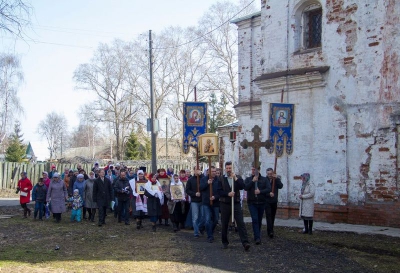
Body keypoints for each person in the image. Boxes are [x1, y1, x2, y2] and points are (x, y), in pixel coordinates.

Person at [218, 161, 250, 251]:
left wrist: (235, 178)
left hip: (235, 203)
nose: (228, 170)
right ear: (225, 169)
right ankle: (224, 242)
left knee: (240, 223)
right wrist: (227, 193)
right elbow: (218, 191)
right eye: (227, 168)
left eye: (230, 168)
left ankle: (245, 242)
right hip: (225, 203)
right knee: (224, 223)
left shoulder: (237, 177)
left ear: (232, 168)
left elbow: (242, 186)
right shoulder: (221, 178)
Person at [244, 166, 271, 244]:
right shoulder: (248, 179)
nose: (253, 171)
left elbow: (268, 189)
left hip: (262, 202)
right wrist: (252, 181)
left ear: (258, 170)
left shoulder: (264, 179)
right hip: (252, 203)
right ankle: (257, 237)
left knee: (259, 220)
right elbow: (245, 187)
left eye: (254, 170)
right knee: (255, 219)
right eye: (252, 169)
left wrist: (260, 192)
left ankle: (257, 233)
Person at [200, 166, 220, 243]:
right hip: (206, 202)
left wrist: (215, 197)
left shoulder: (218, 180)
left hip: (215, 202)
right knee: (207, 219)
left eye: (215, 171)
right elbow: (201, 188)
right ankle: (210, 236)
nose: (214, 173)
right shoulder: (204, 179)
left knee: (215, 219)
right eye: (212, 171)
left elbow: (220, 191)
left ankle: (208, 229)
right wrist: (207, 183)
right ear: (208, 172)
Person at [265, 168, 283, 238]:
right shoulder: (265, 180)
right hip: (267, 201)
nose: (269, 175)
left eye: (270, 174)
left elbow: (281, 186)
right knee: (268, 216)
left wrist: (277, 178)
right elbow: (263, 190)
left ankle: (271, 229)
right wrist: (268, 193)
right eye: (268, 174)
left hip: (274, 201)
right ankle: (270, 231)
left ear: (273, 173)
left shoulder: (276, 180)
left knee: (272, 216)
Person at [186, 168, 205, 238]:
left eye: (199, 170)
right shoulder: (191, 180)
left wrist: (201, 175)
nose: (197, 171)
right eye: (196, 170)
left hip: (202, 200)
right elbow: (187, 190)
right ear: (194, 171)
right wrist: (194, 194)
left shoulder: (203, 178)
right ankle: (196, 232)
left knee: (204, 216)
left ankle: (199, 227)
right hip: (194, 201)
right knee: (195, 217)